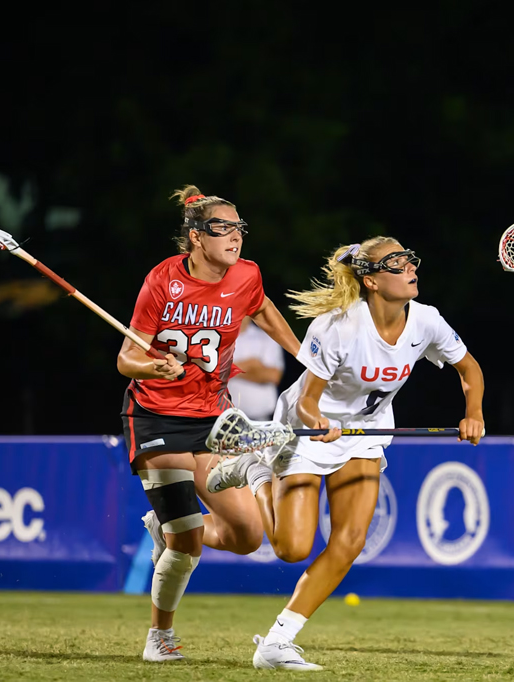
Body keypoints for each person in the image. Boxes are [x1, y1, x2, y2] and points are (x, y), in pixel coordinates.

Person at [208, 236, 486, 670]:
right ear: (372, 281)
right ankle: (255, 472)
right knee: (292, 548)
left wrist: (474, 413)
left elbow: (469, 369)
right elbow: (307, 400)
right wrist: (318, 421)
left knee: (350, 541)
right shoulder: (338, 326)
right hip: (308, 430)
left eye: (409, 258)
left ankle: (278, 642)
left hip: (367, 435)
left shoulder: (427, 321)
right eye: (396, 263)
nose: (410, 268)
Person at [116, 186, 300, 662]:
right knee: (186, 546)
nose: (235, 237)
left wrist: (305, 356)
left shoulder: (247, 276)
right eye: (223, 228)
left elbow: (262, 310)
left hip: (212, 417)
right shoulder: (161, 281)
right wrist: (151, 367)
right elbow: (126, 358)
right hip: (156, 416)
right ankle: (159, 637)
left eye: (239, 228)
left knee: (246, 536)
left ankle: (167, 523)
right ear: (196, 237)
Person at [229, 315, 286, 420]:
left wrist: (228, 369)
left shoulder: (267, 338)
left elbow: (273, 376)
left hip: (260, 419)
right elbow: (208, 374)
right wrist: (251, 365)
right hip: (224, 419)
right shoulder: (217, 339)